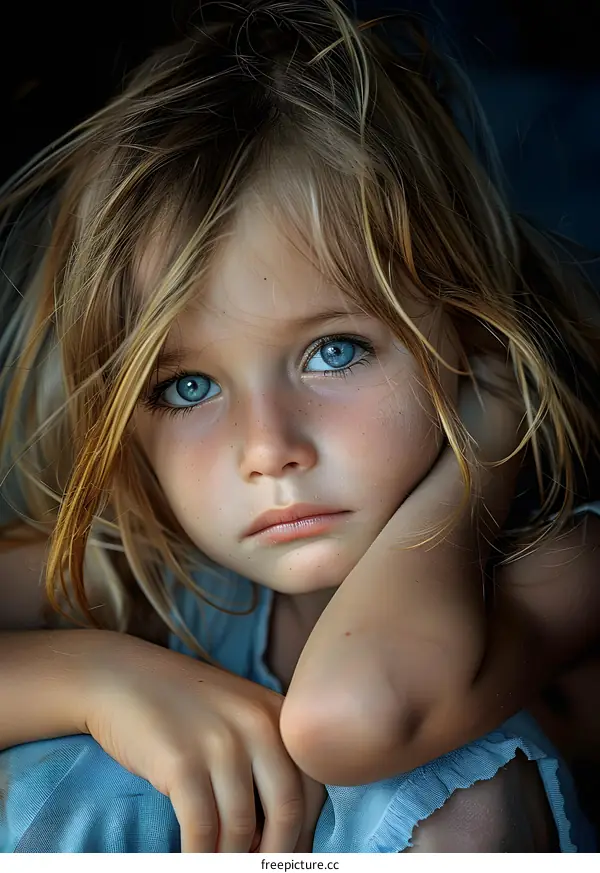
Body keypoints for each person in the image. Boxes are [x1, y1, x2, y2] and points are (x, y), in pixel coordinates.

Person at [0, 0, 599, 853]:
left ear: (469, 341)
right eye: (189, 385)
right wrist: (96, 678)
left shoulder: (562, 563)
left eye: (334, 352)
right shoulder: (160, 574)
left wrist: (480, 457)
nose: (267, 447)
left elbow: (352, 715)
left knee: (448, 792)